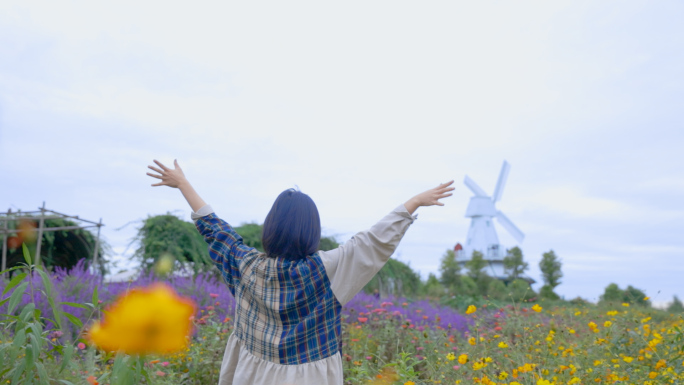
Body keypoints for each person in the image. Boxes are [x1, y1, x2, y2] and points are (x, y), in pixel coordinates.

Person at [147, 159, 454, 385]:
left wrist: (183, 184)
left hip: (251, 371)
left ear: (271, 228)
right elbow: (372, 243)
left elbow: (216, 230)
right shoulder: (329, 268)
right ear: (312, 230)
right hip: (312, 374)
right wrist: (413, 202)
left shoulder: (246, 264)